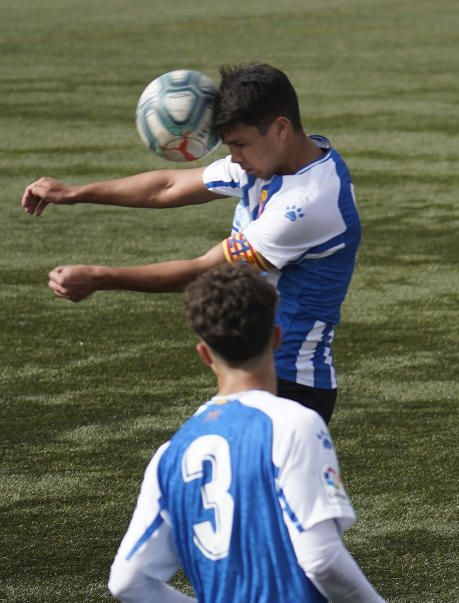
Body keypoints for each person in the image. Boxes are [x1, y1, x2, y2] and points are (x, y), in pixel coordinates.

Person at [21, 62, 360, 422]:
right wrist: (76, 192)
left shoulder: (308, 203)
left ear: (280, 128)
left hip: (292, 386)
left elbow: (203, 271)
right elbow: (168, 186)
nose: (235, 158)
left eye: (240, 145)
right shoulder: (273, 160)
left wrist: (101, 277)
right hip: (256, 371)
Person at [107, 264, 411, 603]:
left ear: (203, 354)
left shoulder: (172, 452)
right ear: (277, 338)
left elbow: (128, 581)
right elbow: (320, 557)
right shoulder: (293, 424)